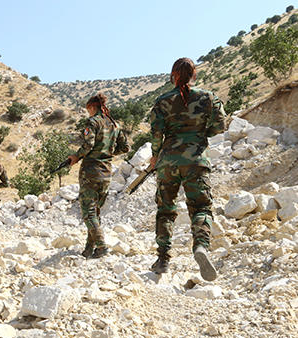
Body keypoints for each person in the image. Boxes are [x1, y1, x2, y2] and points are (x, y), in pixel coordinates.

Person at [149, 57, 226, 280]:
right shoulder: (208, 97)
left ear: (173, 75)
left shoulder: (162, 101)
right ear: (194, 75)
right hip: (196, 160)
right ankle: (201, 246)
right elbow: (220, 126)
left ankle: (163, 259)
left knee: (165, 210)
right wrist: (199, 135)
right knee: (201, 206)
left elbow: (156, 133)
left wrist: (155, 156)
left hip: (168, 162)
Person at [67, 93, 130, 258]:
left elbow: (88, 145)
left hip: (91, 171)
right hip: (106, 172)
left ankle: (101, 246)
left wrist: (76, 156)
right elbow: (125, 148)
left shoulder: (92, 122)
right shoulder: (115, 125)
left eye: (88, 109)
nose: (88, 112)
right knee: (96, 212)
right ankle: (89, 248)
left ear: (92, 107)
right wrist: (107, 153)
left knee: (88, 212)